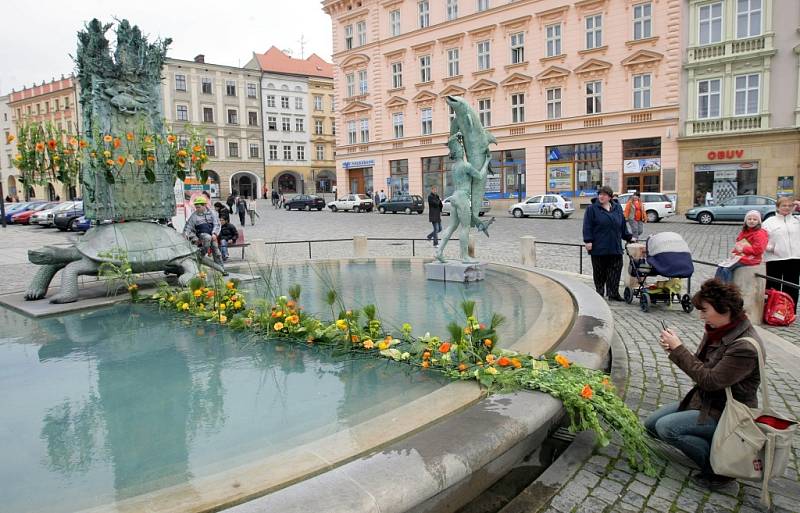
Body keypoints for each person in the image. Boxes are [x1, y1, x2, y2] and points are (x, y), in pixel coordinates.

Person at [645, 279, 762, 489]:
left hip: (728, 414)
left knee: (666, 429)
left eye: (704, 310)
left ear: (724, 309)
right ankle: (709, 444)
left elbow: (710, 381)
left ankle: (720, 467)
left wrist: (679, 349)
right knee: (651, 426)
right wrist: (674, 349)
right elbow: (700, 368)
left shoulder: (745, 347)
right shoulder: (717, 330)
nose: (701, 316)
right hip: (706, 402)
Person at [582, 186, 635, 300]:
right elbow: (587, 226)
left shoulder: (617, 208)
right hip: (598, 246)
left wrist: (629, 237)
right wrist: (588, 241)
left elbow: (622, 225)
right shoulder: (592, 209)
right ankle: (599, 292)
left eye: (604, 195)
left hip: (614, 246)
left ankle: (613, 293)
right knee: (599, 271)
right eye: (600, 194)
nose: (601, 196)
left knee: (615, 269)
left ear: (610, 197)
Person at [762, 196, 800, 311]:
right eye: (784, 205)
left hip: (794, 258)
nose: (787, 208)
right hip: (774, 259)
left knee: (792, 287)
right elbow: (761, 240)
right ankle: (771, 310)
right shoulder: (769, 222)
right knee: (773, 287)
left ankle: (789, 311)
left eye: (789, 206)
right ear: (777, 207)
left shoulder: (797, 220)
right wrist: (772, 248)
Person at [714, 210, 768, 283]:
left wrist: (743, 249)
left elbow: (759, 249)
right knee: (720, 267)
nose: (751, 221)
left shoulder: (760, 233)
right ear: (745, 221)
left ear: (759, 222)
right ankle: (716, 287)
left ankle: (727, 289)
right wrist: (734, 253)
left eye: (755, 219)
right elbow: (738, 244)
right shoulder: (744, 232)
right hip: (741, 256)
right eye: (749, 219)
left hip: (752, 258)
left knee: (726, 269)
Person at [182, 196, 224, 267]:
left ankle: (220, 268)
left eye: (198, 207)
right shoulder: (194, 216)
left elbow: (217, 224)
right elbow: (188, 226)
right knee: (207, 237)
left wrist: (215, 233)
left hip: (212, 235)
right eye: (196, 207)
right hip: (201, 234)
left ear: (204, 205)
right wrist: (185, 234)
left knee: (216, 251)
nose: (197, 209)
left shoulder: (212, 213)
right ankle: (201, 255)